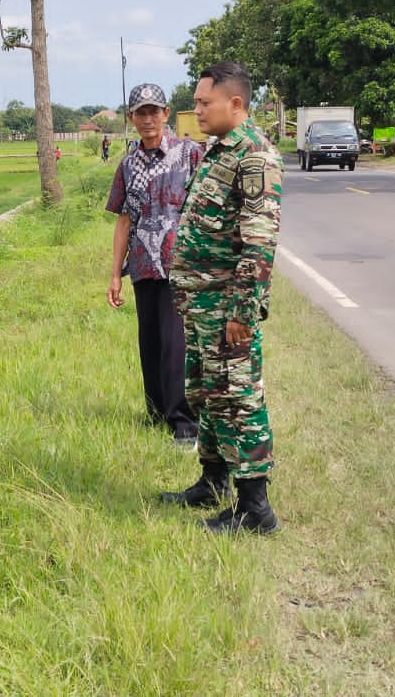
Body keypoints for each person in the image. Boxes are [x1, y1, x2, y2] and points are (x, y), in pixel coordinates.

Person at [160, 62, 283, 535]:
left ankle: (256, 511)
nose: (197, 110)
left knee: (238, 399)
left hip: (226, 308)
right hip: (201, 305)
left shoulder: (254, 157)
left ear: (235, 103)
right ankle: (213, 483)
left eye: (204, 103)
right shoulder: (219, 151)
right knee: (209, 395)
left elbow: (259, 241)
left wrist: (241, 312)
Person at [106, 83, 205, 448]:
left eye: (154, 112)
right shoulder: (128, 164)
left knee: (174, 342)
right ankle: (156, 412)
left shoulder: (189, 154)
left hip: (180, 265)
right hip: (143, 266)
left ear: (166, 114)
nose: (148, 119)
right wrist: (115, 274)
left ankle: (184, 422)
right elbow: (122, 221)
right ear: (131, 119)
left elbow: (206, 209)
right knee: (148, 341)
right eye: (140, 113)